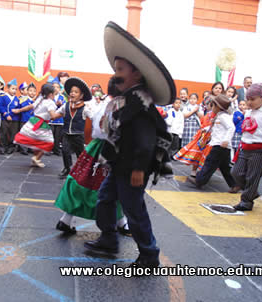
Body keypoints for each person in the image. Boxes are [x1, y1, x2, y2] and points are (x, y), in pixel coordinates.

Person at [84, 22, 175, 269]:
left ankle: (149, 255)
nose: (116, 74)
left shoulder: (140, 102)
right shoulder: (127, 99)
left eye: (121, 69)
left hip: (133, 167)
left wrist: (138, 169)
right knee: (104, 199)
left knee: (134, 210)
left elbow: (144, 140)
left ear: (137, 74)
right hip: (119, 164)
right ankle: (108, 240)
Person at [54, 76, 130, 236]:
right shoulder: (118, 105)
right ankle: (121, 224)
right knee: (113, 187)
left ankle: (66, 219)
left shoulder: (106, 103)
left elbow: (96, 124)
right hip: (109, 149)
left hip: (94, 148)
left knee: (81, 182)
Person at [231, 83, 262, 211]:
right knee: (236, 172)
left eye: (252, 99)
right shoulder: (249, 112)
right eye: (248, 99)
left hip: (259, 150)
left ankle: (246, 202)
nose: (249, 102)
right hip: (244, 147)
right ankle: (252, 192)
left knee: (252, 176)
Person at [187, 95, 238, 192]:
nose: (211, 108)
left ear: (218, 107)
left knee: (209, 163)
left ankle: (200, 180)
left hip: (220, 145)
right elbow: (216, 129)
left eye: (213, 106)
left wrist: (226, 140)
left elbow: (231, 128)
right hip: (221, 146)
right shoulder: (219, 116)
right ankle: (234, 184)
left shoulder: (223, 117)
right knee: (225, 167)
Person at [50, 77, 93, 179]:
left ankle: (80, 171)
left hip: (78, 135)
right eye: (71, 91)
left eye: (76, 92)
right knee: (65, 151)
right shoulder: (66, 106)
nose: (73, 93)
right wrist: (47, 106)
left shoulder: (85, 108)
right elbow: (55, 115)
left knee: (80, 154)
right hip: (66, 134)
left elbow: (94, 117)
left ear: (81, 95)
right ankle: (67, 168)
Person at [13, 83, 58, 167]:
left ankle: (36, 158)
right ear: (51, 94)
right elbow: (53, 116)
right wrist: (62, 113)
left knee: (36, 141)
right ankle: (36, 158)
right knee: (49, 142)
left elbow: (29, 107)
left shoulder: (40, 100)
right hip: (41, 124)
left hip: (33, 121)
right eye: (54, 94)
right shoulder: (50, 103)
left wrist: (19, 110)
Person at [0, 79, 21, 154]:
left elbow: (18, 108)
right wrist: (6, 114)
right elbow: (0, 106)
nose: (14, 91)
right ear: (7, 89)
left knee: (13, 134)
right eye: (12, 88)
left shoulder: (17, 99)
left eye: (15, 89)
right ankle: (3, 147)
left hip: (14, 119)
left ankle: (11, 147)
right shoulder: (2, 96)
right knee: (3, 133)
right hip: (4, 118)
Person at [49, 79, 66, 156]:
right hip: (50, 119)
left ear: (60, 89)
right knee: (50, 135)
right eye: (54, 87)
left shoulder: (62, 97)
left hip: (59, 120)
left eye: (57, 87)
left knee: (57, 136)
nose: (56, 88)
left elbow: (65, 107)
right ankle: (49, 149)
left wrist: (61, 104)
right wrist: (55, 104)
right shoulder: (49, 97)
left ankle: (56, 149)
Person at [18, 82, 34, 155]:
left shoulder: (36, 100)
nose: (32, 93)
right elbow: (22, 107)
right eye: (30, 91)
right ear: (27, 91)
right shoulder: (23, 99)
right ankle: (23, 149)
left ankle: (29, 148)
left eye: (34, 91)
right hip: (24, 119)